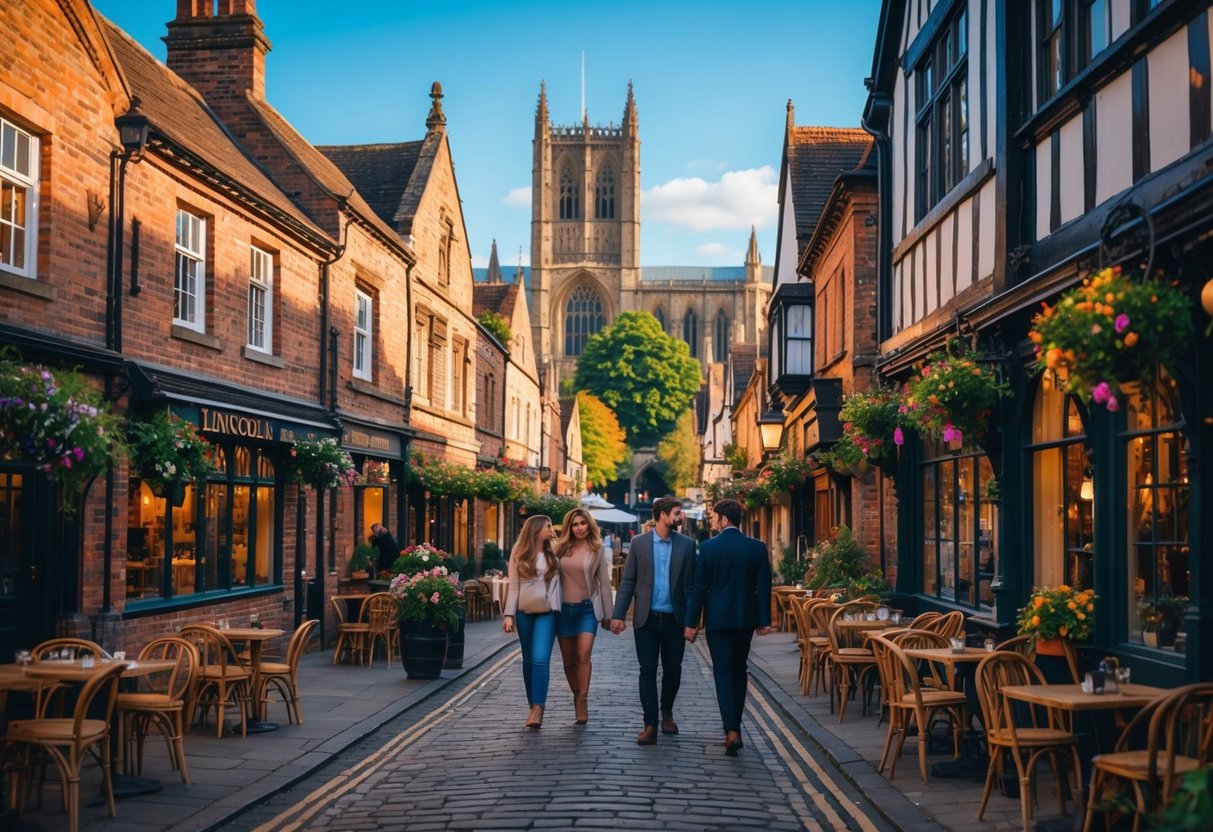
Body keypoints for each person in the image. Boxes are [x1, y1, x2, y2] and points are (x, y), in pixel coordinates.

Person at [684, 498, 772, 756]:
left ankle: (731, 730)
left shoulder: (709, 548)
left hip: (718, 620)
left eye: (713, 516)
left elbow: (698, 588)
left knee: (722, 671)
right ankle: (736, 726)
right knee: (739, 669)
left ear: (724, 519)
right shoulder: (756, 548)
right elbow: (764, 585)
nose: (711, 520)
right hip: (745, 618)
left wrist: (691, 623)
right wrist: (764, 620)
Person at [610, 497, 697, 745]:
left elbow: (691, 588)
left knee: (672, 670)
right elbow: (628, 581)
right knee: (647, 671)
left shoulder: (687, 545)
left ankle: (666, 711)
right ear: (662, 515)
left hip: (674, 620)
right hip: (646, 619)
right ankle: (650, 724)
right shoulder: (639, 543)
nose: (680, 518)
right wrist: (618, 615)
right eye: (677, 513)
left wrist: (691, 621)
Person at [552, 508, 614, 725]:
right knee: (568, 661)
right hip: (562, 611)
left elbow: (605, 584)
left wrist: (609, 614)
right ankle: (576, 693)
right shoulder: (559, 549)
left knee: (583, 655)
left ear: (589, 525)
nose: (579, 528)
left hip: (586, 610)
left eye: (583, 523)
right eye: (575, 524)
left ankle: (582, 700)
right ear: (569, 527)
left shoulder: (597, 549)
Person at [503, 515, 559, 730]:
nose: (551, 530)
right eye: (548, 526)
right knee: (528, 659)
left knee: (540, 658)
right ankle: (532, 703)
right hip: (524, 612)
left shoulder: (554, 550)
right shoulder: (519, 553)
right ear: (536, 529)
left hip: (548, 611)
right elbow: (514, 587)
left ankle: (538, 707)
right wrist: (509, 614)